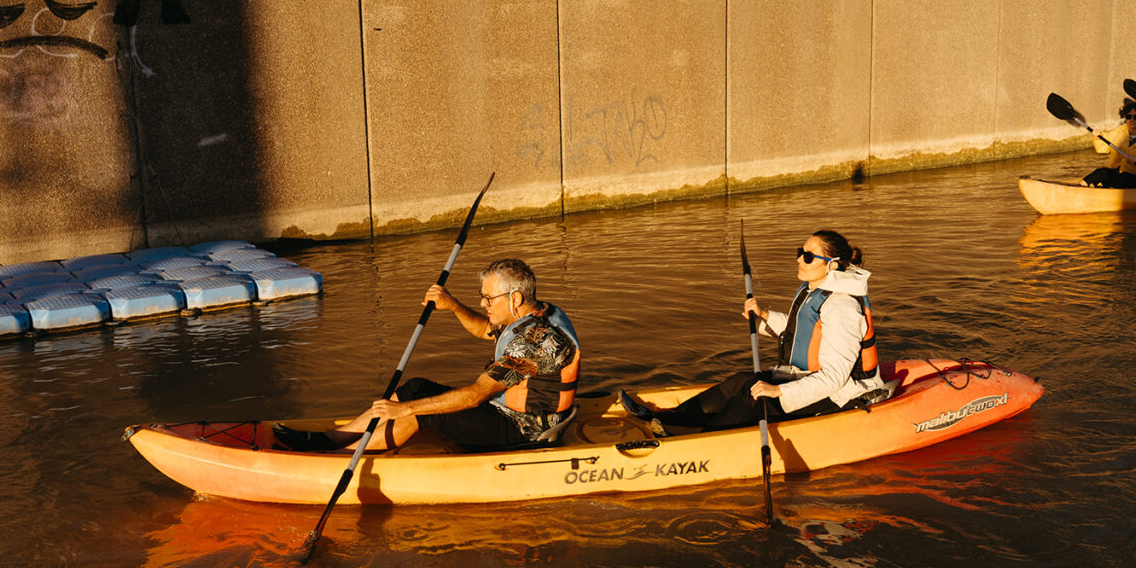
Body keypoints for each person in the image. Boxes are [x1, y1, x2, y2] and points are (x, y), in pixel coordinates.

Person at [275, 259, 580, 453]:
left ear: (514, 298)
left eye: (488, 298)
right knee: (416, 386)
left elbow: (475, 396)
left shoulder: (536, 342)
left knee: (420, 409)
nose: (483, 302)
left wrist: (405, 410)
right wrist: (452, 305)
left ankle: (339, 459)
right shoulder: (536, 310)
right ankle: (333, 439)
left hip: (525, 429)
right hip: (502, 413)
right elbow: (488, 330)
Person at [628, 230, 887, 432]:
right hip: (805, 376)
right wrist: (764, 315)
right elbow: (802, 332)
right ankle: (669, 419)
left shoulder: (842, 306)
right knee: (743, 380)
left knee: (755, 398)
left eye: (808, 256)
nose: (799, 259)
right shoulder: (813, 290)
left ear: (832, 265)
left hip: (838, 393)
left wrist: (779, 391)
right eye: (800, 251)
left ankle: (703, 439)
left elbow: (834, 378)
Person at [1080, 98, 1136, 189]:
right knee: (1102, 172)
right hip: (1116, 172)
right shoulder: (1120, 131)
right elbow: (1102, 148)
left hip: (1135, 177)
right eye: (1129, 117)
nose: (1132, 120)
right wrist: (1098, 137)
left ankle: (1110, 191)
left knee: (1124, 177)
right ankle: (1080, 186)